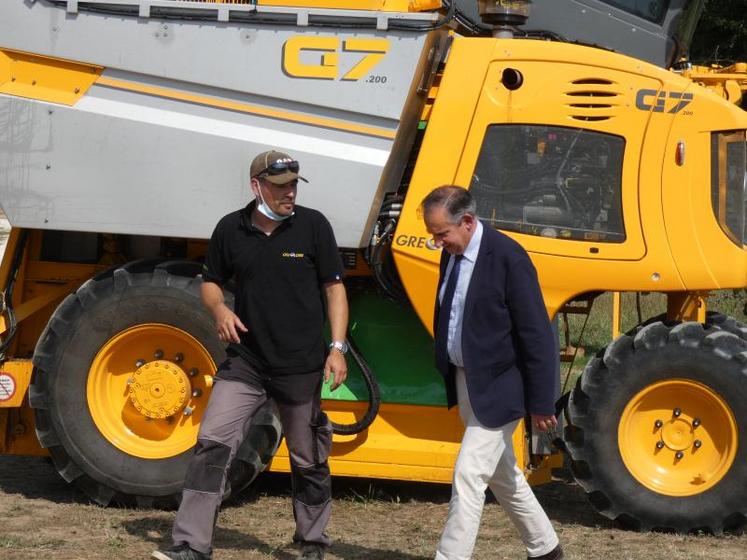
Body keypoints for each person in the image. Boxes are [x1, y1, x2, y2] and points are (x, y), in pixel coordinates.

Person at [152, 150, 349, 560]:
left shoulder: (313, 226)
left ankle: (312, 544)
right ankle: (190, 545)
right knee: (212, 443)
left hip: (300, 364)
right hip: (247, 362)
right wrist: (220, 308)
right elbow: (210, 282)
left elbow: (335, 290)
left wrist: (337, 348)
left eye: (294, 184)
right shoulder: (230, 228)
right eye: (280, 187)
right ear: (256, 186)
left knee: (308, 456)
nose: (289, 193)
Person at [420, 185, 564, 560]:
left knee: (469, 476)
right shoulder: (451, 254)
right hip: (468, 379)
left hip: (503, 385)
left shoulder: (508, 258)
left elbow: (537, 334)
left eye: (442, 234)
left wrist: (541, 401)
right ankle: (546, 548)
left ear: (467, 221)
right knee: (504, 476)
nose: (437, 243)